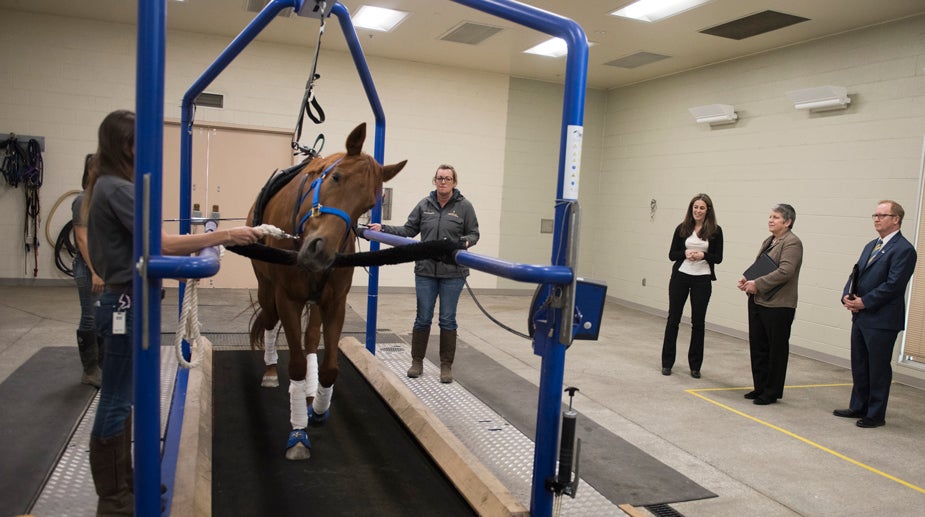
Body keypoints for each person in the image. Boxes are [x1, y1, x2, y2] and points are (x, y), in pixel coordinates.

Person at [83, 109, 262, 515]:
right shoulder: (118, 189)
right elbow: (161, 244)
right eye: (142, 140)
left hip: (125, 297)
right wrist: (226, 234)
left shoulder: (108, 185)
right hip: (126, 301)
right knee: (116, 398)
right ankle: (114, 500)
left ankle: (125, 484)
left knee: (123, 395)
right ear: (128, 146)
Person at [368, 164, 479, 384]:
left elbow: (474, 233)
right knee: (423, 318)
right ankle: (416, 362)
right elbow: (408, 230)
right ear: (434, 181)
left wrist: (467, 241)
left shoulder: (464, 206)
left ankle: (446, 366)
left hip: (453, 274)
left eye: (448, 178)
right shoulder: (424, 205)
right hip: (425, 271)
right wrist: (384, 229)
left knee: (448, 320)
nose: (443, 182)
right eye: (440, 178)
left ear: (454, 182)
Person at [835, 200, 916, 428]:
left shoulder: (904, 249)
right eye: (875, 215)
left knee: (878, 368)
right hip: (861, 316)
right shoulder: (872, 245)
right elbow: (856, 273)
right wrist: (847, 294)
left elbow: (894, 285)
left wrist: (864, 302)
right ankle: (858, 405)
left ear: (896, 219)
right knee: (860, 363)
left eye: (882, 215)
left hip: (882, 320)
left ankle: (875, 414)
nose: (877, 219)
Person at [737, 203, 803, 406]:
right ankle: (760, 387)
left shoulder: (792, 243)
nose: (770, 220)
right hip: (759, 301)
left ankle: (771, 391)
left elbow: (785, 271)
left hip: (778, 305)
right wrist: (748, 279)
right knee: (758, 346)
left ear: (788, 222)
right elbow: (762, 266)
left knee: (776, 349)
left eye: (775, 217)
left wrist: (757, 284)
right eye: (770, 217)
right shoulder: (770, 241)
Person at [661, 193, 723, 378]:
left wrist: (703, 256)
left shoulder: (716, 231)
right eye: (695, 207)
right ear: (691, 209)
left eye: (702, 208)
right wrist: (685, 253)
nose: (698, 210)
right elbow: (672, 254)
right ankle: (667, 363)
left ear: (708, 210)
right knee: (673, 319)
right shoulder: (682, 228)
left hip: (702, 279)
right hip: (681, 276)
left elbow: (718, 258)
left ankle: (695, 366)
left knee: (698, 322)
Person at [73, 153, 104, 388]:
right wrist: (94, 272)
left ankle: (103, 365)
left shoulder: (103, 200)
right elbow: (82, 239)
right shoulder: (82, 200)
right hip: (89, 269)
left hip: (105, 269)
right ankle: (90, 370)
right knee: (90, 317)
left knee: (104, 317)